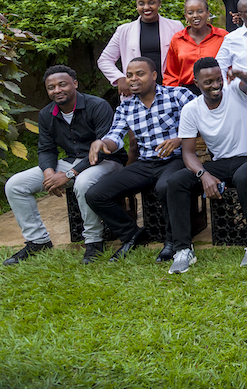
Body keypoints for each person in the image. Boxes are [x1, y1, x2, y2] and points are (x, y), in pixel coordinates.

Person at [3, 66, 125, 266]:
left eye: (62, 84)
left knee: (83, 182)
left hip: (108, 161)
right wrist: (49, 174)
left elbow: (104, 148)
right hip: (72, 161)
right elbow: (46, 149)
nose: (57, 90)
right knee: (15, 185)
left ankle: (94, 241)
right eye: (51, 87)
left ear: (75, 84)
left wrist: (69, 174)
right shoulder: (46, 114)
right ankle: (38, 241)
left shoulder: (98, 106)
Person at [84, 57, 197, 263]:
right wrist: (102, 142)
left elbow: (203, 121)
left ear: (154, 75)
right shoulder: (126, 107)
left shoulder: (178, 95)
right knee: (96, 194)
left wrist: (180, 139)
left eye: (140, 74)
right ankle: (132, 234)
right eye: (129, 75)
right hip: (146, 164)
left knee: (166, 186)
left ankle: (172, 241)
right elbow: (115, 137)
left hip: (176, 159)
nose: (133, 79)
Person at [166, 59, 247, 273]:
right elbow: (188, 153)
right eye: (208, 82)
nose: (215, 85)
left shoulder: (235, 92)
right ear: (196, 83)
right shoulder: (191, 109)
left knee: (243, 176)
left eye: (218, 79)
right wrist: (203, 174)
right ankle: (183, 249)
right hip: (221, 163)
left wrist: (238, 72)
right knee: (176, 182)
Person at [97, 0, 185, 94]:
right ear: (136, 5)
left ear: (159, 3)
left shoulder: (175, 27)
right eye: (141, 3)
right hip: (136, 94)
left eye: (151, 2)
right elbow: (104, 60)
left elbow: (185, 57)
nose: (146, 7)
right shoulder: (124, 31)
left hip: (170, 91)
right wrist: (120, 78)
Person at [163, 0, 227, 91]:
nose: (195, 15)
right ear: (186, 16)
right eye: (190, 13)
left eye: (200, 11)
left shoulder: (222, 36)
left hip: (217, 89)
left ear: (208, 13)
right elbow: (171, 74)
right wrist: (174, 94)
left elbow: (232, 67)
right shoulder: (177, 39)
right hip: (186, 91)